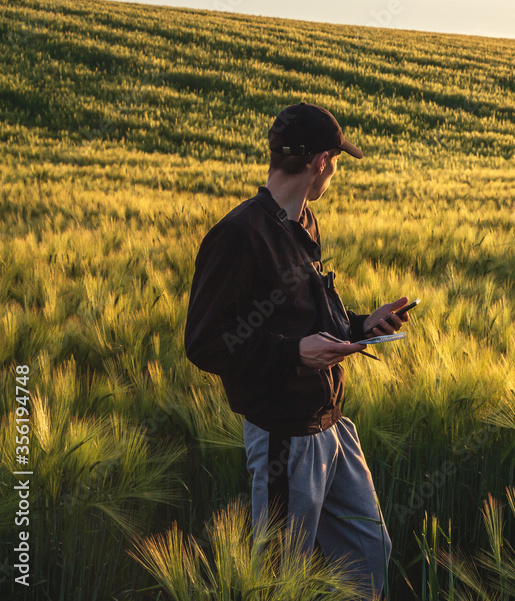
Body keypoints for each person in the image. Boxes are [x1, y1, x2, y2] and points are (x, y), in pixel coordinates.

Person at [184, 102, 405, 598]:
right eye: (336, 162)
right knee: (280, 578)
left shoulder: (303, 223)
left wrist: (363, 325)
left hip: (332, 427)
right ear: (321, 162)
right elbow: (203, 342)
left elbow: (310, 319)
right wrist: (293, 354)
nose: (334, 172)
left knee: (369, 556)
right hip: (285, 437)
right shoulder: (238, 235)